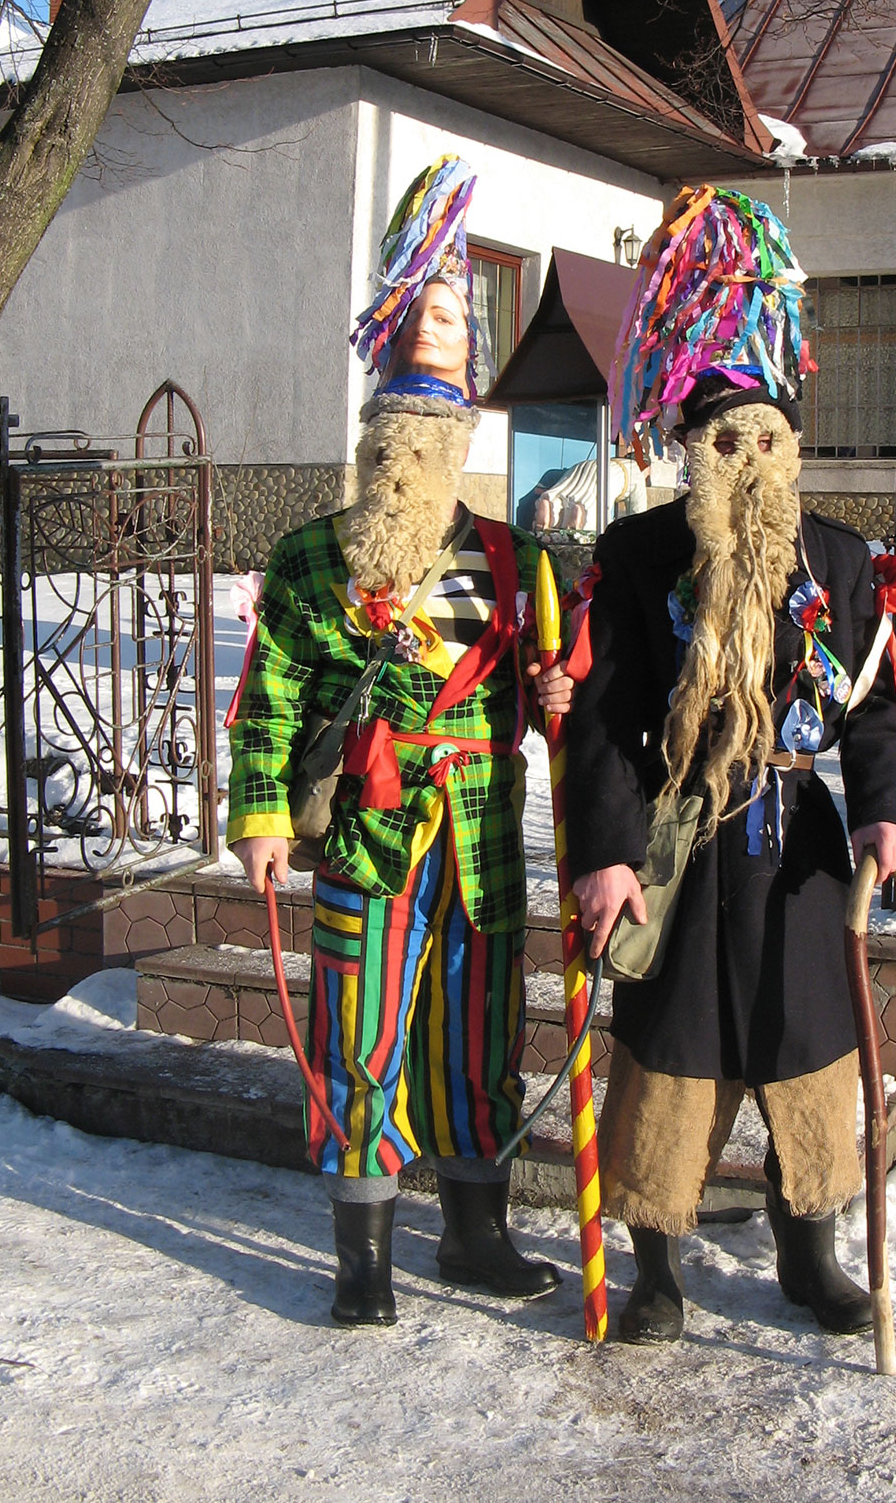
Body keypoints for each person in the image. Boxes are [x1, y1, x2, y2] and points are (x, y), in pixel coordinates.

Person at [563, 186, 896, 1345]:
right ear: (692, 449)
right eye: (725, 439)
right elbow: (601, 722)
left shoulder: (840, 560)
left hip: (796, 849)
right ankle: (657, 1269)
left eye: (765, 436)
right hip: (674, 847)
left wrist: (885, 811)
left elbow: (874, 707)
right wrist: (605, 854)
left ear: (789, 443)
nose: (749, 455)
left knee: (807, 1053)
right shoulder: (637, 557)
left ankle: (810, 1258)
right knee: (668, 1059)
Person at [227, 156, 569, 1327]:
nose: (412, 458)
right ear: (375, 427)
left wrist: (559, 692)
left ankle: (474, 1233)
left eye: (455, 314)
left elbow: (553, 697)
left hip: (479, 840)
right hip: (366, 836)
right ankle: (362, 1255)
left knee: (479, 1034)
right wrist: (261, 815)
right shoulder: (310, 557)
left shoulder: (518, 560)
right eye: (397, 437)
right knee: (357, 1036)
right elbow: (270, 698)